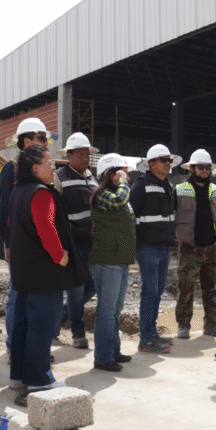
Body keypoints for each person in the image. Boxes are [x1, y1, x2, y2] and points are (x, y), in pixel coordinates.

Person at [8, 144, 89, 406]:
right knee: (42, 328)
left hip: (24, 273)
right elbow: (46, 227)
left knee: (24, 324)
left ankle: (19, 375)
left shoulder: (18, 191)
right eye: (49, 162)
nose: (54, 166)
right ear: (35, 167)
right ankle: (39, 379)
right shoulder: (42, 194)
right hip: (44, 273)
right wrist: (59, 255)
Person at [0, 117, 54, 360]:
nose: (44, 143)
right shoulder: (11, 168)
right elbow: (4, 208)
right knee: (17, 295)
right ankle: (15, 347)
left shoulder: (41, 170)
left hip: (35, 245)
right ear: (27, 140)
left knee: (35, 297)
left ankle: (33, 347)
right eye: (41, 139)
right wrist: (8, 243)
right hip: (19, 245)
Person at [129, 144, 181, 353]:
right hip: (147, 247)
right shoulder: (141, 185)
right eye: (163, 160)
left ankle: (152, 333)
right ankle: (146, 339)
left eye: (169, 160)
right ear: (151, 164)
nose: (168, 164)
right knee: (150, 292)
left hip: (163, 248)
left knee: (157, 292)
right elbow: (130, 214)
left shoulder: (167, 185)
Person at [174, 149, 216, 339]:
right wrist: (177, 234)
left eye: (207, 167)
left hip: (211, 247)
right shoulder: (180, 190)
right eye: (200, 167)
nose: (204, 171)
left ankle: (211, 325)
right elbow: (171, 215)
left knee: (211, 288)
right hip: (190, 247)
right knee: (186, 288)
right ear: (192, 168)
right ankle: (183, 325)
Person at [88, 153, 135, 372]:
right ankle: (103, 357)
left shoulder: (118, 193)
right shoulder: (103, 195)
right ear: (110, 174)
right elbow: (119, 200)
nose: (126, 175)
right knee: (106, 311)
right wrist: (123, 182)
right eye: (121, 171)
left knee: (115, 311)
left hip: (120, 260)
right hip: (107, 261)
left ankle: (113, 351)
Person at [55, 132, 99, 349]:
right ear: (69, 155)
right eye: (80, 154)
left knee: (93, 286)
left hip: (92, 244)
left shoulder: (91, 177)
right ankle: (78, 332)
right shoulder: (59, 177)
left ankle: (61, 316)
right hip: (72, 245)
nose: (84, 158)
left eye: (87, 154)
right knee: (76, 289)